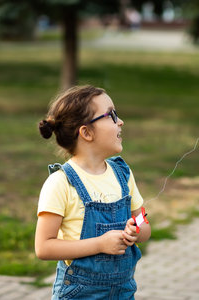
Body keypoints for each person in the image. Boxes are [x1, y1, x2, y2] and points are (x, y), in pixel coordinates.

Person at [35, 85, 151, 299]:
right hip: (79, 294)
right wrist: (100, 244)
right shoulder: (61, 183)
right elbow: (43, 247)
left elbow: (144, 226)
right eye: (111, 115)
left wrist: (136, 230)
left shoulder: (123, 175)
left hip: (123, 292)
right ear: (86, 132)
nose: (120, 121)